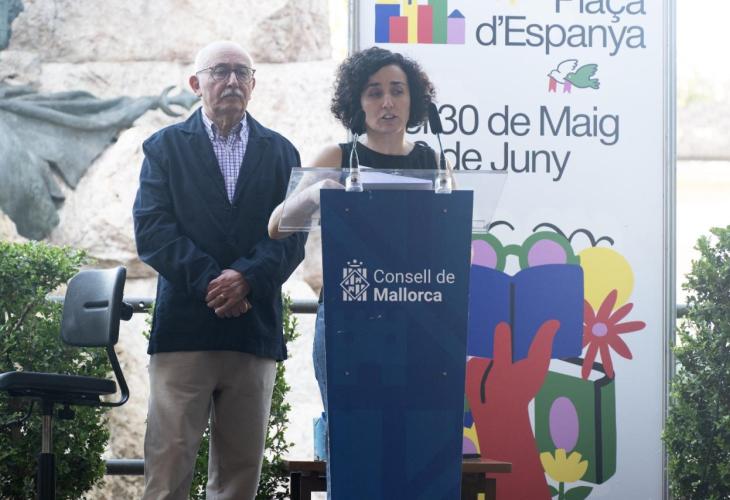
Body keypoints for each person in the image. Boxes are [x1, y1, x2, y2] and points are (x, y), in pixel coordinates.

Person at [133, 40, 306, 500]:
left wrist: (246, 278)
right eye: (220, 71)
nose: (232, 81)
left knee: (239, 476)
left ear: (253, 84)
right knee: (167, 469)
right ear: (196, 83)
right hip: (185, 329)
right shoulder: (164, 147)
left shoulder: (282, 153)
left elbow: (293, 238)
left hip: (252, 330)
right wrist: (214, 282)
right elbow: (152, 231)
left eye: (241, 72)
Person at [267, 46, 445, 486]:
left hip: (417, 320)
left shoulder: (432, 162)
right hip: (348, 320)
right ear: (356, 101)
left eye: (397, 91)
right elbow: (276, 225)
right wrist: (316, 193)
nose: (387, 102)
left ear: (413, 99)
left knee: (411, 447)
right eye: (374, 92)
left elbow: (455, 240)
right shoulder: (337, 156)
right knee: (354, 445)